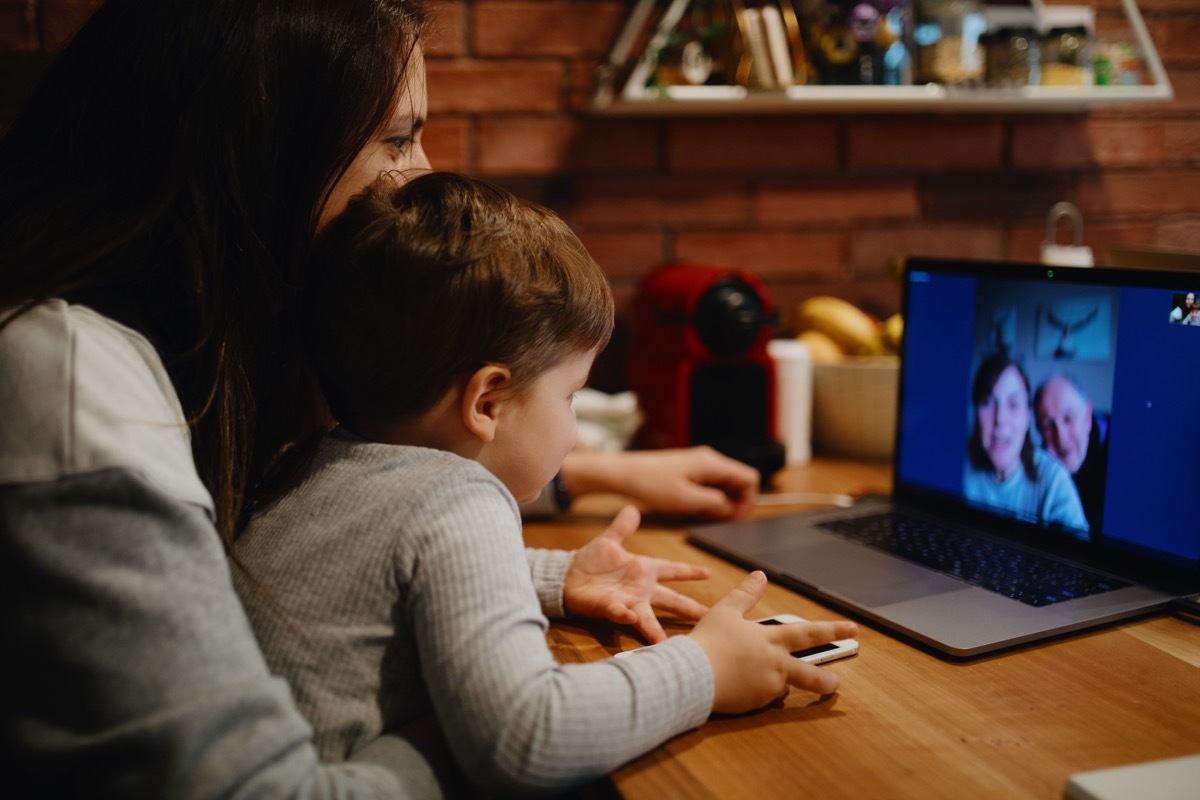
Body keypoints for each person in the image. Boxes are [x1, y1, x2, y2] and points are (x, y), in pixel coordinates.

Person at [0, 0, 759, 795]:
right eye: (396, 139)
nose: (422, 174)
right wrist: (456, 733)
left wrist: (532, 572)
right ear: (262, 152)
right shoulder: (71, 381)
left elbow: (356, 529)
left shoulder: (206, 368)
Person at [233, 171, 858, 794]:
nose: (574, 428)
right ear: (488, 402)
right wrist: (706, 668)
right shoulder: (457, 497)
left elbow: (390, 568)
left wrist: (559, 577)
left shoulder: (311, 461)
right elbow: (526, 738)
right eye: (572, 395)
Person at [963, 355, 1088, 534]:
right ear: (975, 410)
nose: (1000, 419)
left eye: (1013, 404)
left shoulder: (1055, 482)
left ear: (1028, 416)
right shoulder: (958, 468)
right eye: (988, 402)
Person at [1033, 374, 1110, 533]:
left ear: (1087, 417)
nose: (1061, 438)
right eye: (1048, 425)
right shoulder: (1041, 467)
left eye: (1068, 419)